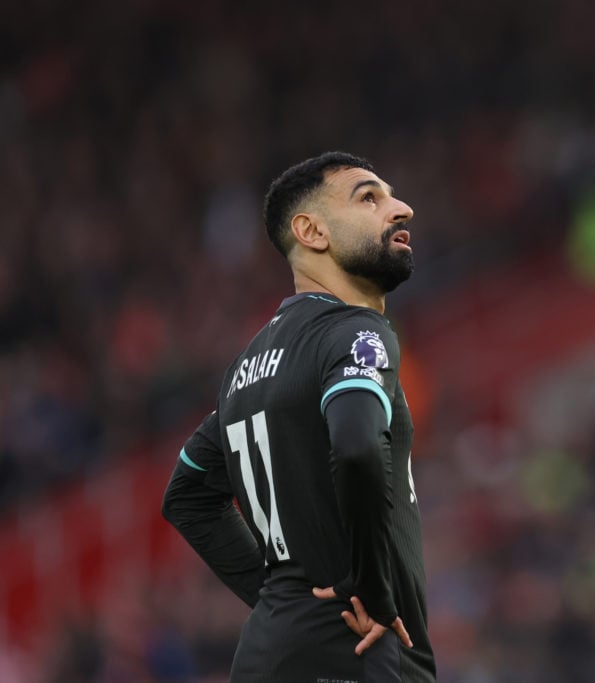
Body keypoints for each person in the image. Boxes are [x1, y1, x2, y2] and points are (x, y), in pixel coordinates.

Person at [162, 151, 436, 682]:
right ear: (311, 231)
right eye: (369, 197)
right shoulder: (355, 334)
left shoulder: (245, 369)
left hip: (269, 654)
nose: (401, 209)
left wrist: (279, 600)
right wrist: (371, 587)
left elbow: (188, 496)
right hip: (356, 654)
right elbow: (356, 448)